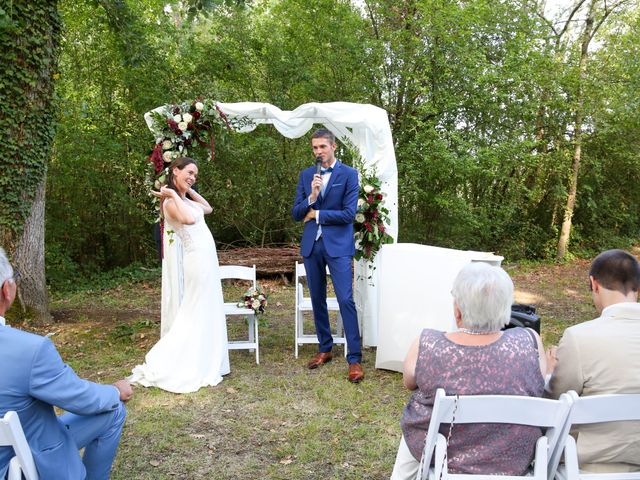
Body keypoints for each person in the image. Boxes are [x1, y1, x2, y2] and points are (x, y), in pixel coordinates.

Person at [391, 262, 546, 479]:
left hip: (442, 453)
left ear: (458, 310)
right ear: (505, 309)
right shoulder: (530, 341)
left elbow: (408, 381)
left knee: (411, 439)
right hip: (512, 457)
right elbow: (541, 380)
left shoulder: (428, 343)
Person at [0, 247, 132, 480]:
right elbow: (82, 399)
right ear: (6, 290)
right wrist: (114, 391)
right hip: (17, 466)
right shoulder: (30, 350)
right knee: (113, 411)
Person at [129, 157, 230, 393]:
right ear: (176, 171)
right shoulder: (171, 204)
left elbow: (207, 208)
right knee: (195, 308)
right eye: (189, 172)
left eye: (195, 175)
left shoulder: (184, 199)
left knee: (207, 306)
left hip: (207, 259)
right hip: (196, 261)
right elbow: (189, 219)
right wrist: (172, 194)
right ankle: (185, 359)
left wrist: (188, 191)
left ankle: (208, 357)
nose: (193, 177)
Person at [547, 249, 640, 473]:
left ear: (594, 284)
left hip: (588, 464)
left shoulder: (578, 337)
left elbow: (555, 403)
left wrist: (548, 373)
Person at [292, 128, 363, 383]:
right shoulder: (306, 175)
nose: (318, 152)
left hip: (338, 246)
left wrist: (318, 215)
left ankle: (354, 358)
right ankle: (325, 348)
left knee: (345, 299)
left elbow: (348, 214)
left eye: (323, 146)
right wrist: (311, 197)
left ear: (333, 147)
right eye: (315, 148)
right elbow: (296, 212)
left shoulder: (349, 175)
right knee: (317, 299)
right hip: (312, 245)